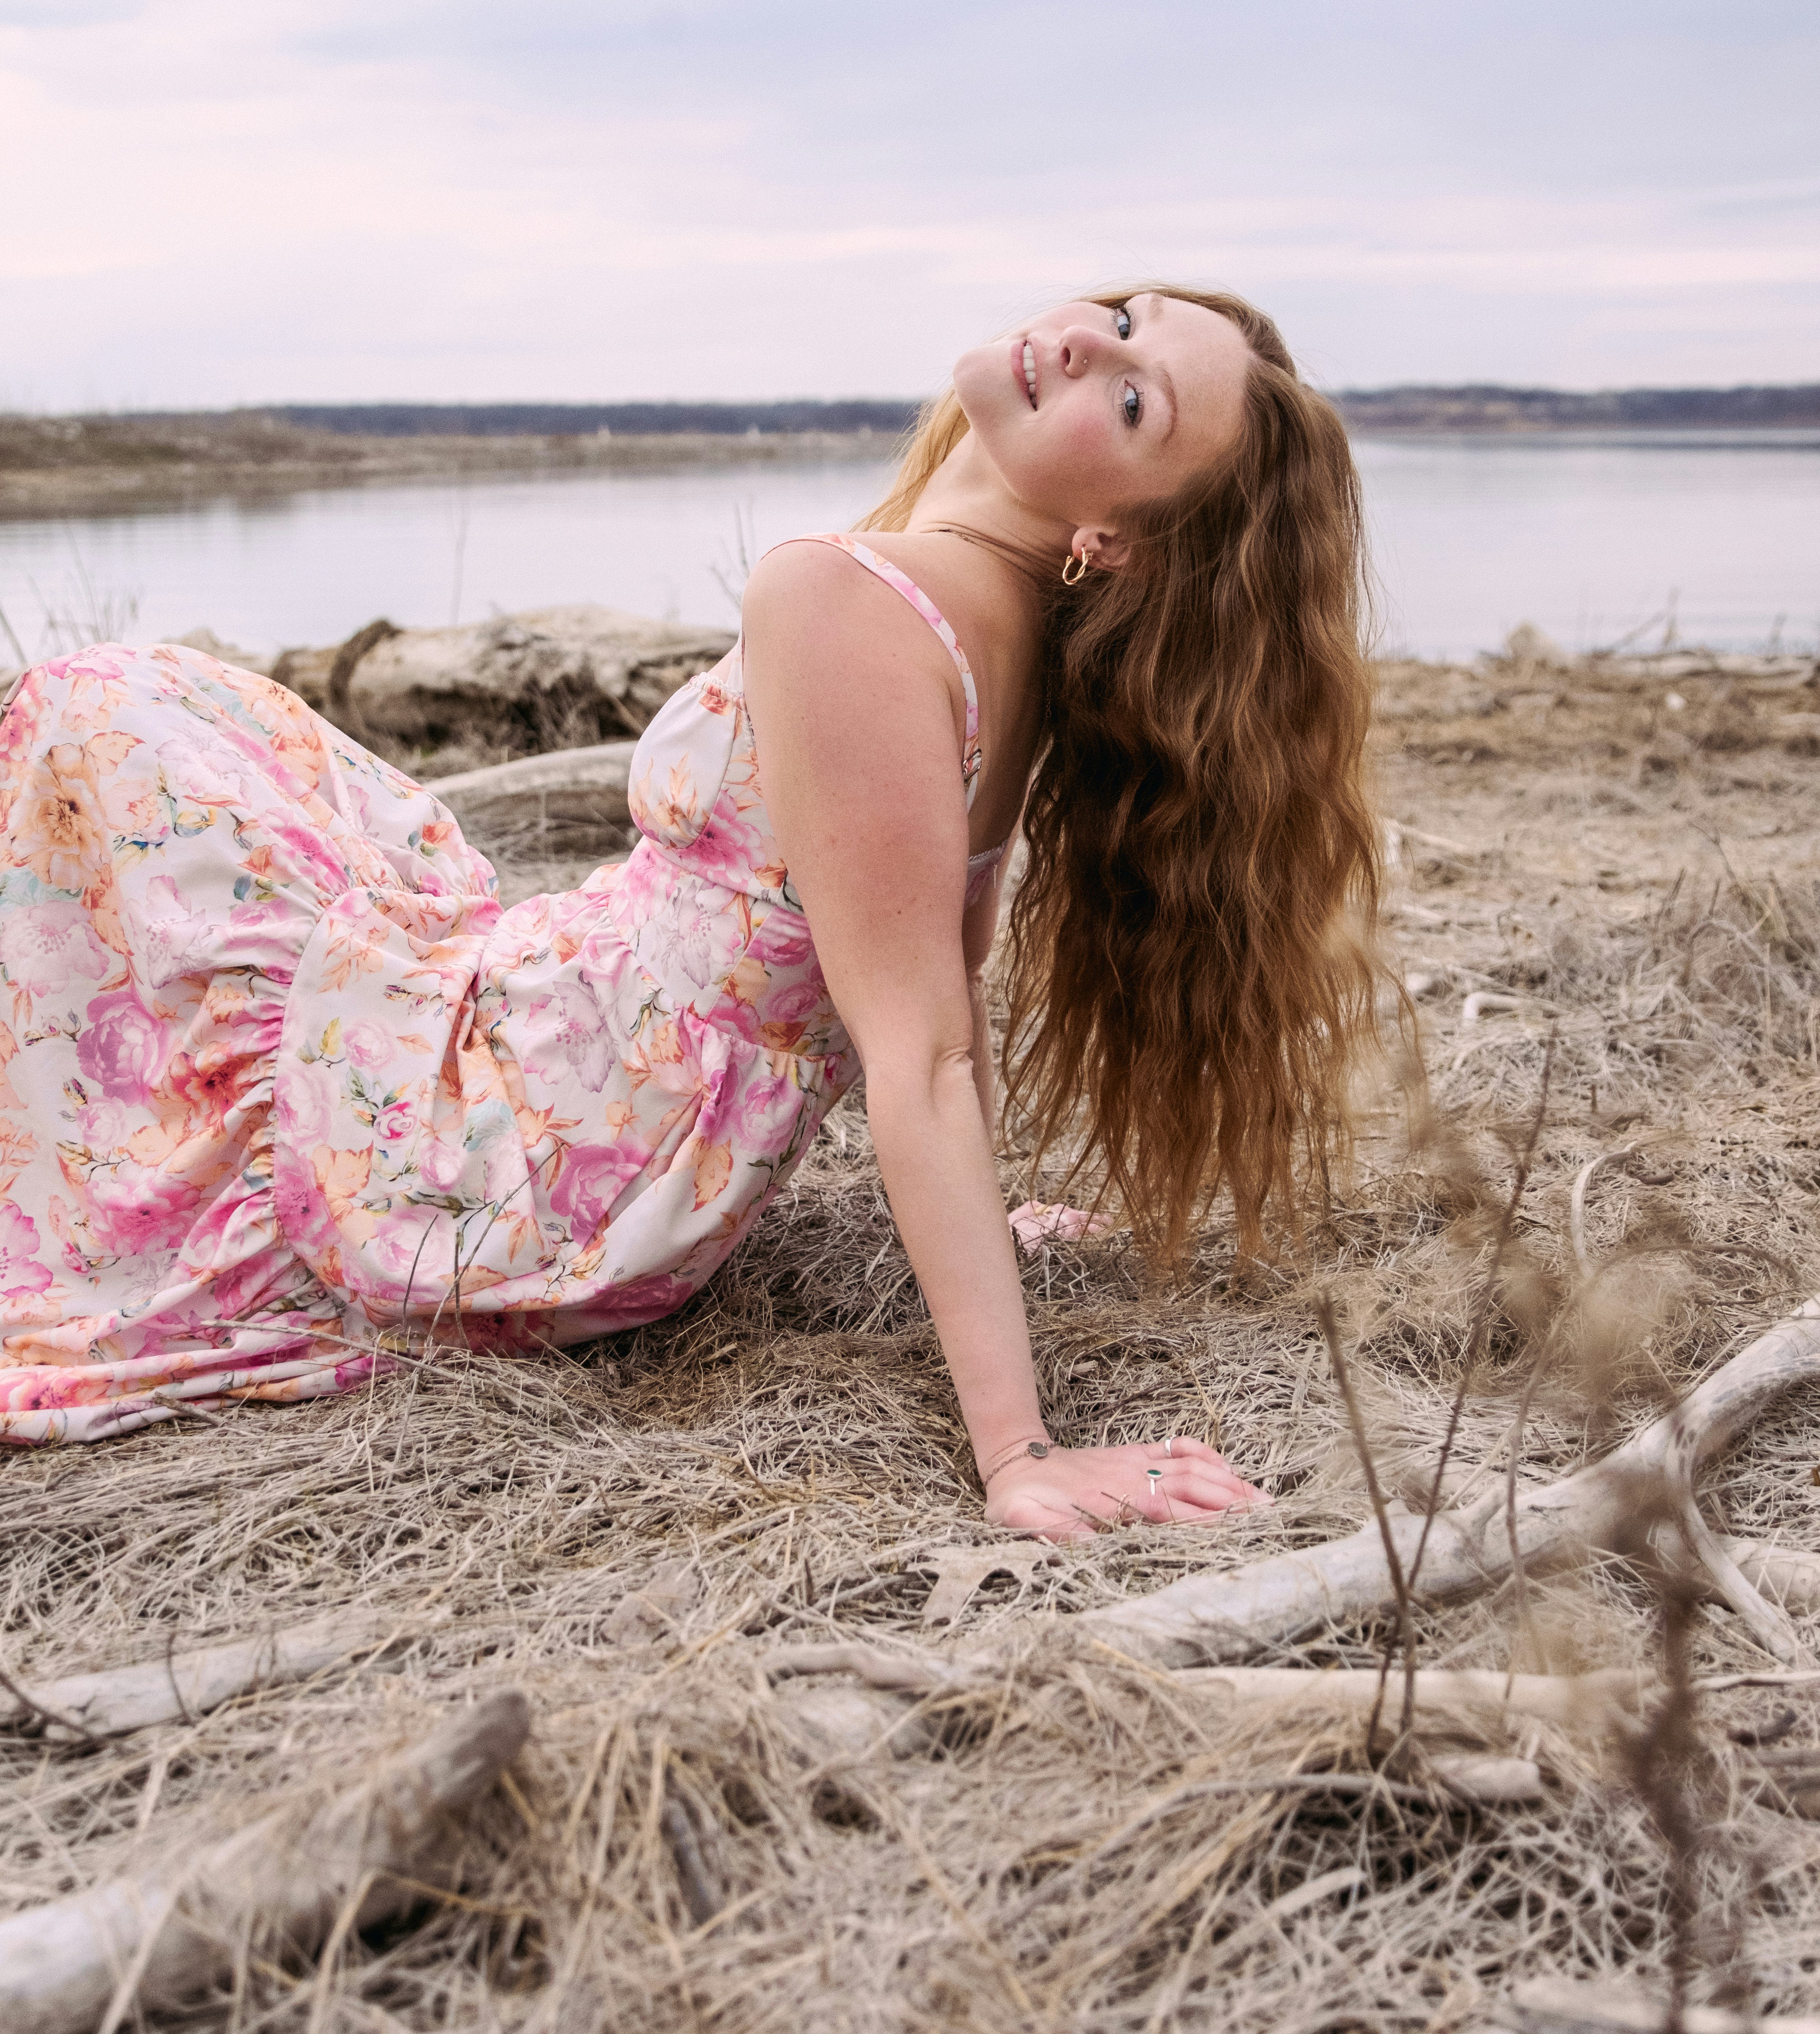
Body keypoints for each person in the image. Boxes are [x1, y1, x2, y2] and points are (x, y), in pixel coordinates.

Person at [0, 288, 1384, 1531]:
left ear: (1111, 542)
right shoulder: (1001, 629)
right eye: (1128, 316)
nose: (1089, 341)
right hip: (628, 1169)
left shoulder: (850, 600)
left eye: (1131, 399)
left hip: (526, 1148)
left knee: (98, 710)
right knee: (197, 739)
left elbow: (921, 1048)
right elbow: (941, 963)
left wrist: (1018, 1451)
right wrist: (984, 1217)